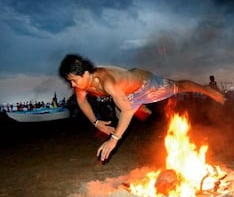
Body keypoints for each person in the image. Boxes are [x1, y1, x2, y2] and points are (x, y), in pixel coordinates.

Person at [59, 54, 225, 162]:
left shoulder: (107, 81)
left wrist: (113, 140)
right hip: (128, 94)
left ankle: (207, 90)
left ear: (86, 74)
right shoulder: (81, 85)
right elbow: (82, 102)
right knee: (122, 107)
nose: (73, 85)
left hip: (146, 85)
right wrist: (96, 122)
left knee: (178, 87)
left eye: (74, 80)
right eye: (70, 81)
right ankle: (140, 106)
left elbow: (127, 111)